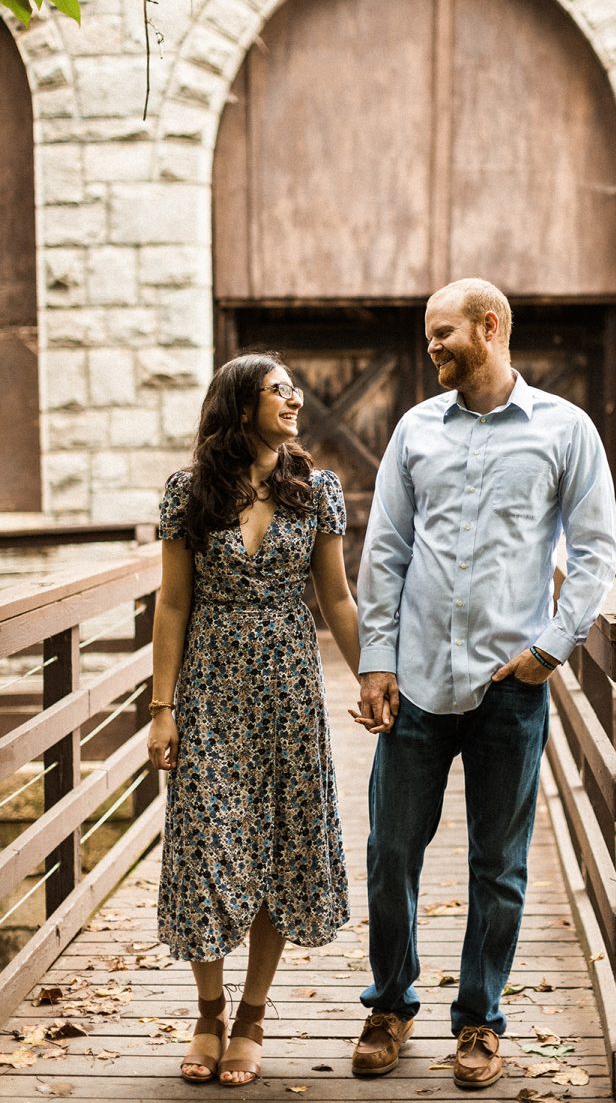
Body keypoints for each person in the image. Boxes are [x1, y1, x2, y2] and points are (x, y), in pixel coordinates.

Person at [350, 279, 616, 1090]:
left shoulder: (564, 431)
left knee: (497, 866)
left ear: (490, 327)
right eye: (429, 336)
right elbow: (385, 550)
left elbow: (596, 550)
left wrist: (551, 648)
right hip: (419, 683)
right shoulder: (414, 431)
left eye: (443, 334)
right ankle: (390, 1004)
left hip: (511, 684)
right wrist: (376, 659)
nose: (431, 348)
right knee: (390, 851)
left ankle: (479, 1021)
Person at [146, 351, 359, 1088]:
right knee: (206, 837)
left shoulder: (316, 489)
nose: (295, 400)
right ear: (242, 407)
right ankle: (208, 1010)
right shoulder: (188, 492)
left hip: (289, 691)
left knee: (277, 843)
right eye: (280, 391)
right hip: (209, 688)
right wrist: (161, 709)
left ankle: (251, 1017)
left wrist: (371, 677)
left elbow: (336, 598)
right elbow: (173, 605)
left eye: (295, 389)